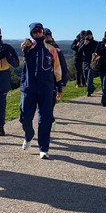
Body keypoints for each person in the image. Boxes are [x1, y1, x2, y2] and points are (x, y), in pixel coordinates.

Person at [19, 22, 63, 159]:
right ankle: (28, 134)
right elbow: (25, 55)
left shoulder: (51, 49)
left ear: (43, 32)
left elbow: (57, 68)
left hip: (46, 88)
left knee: (45, 119)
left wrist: (59, 85)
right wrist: (26, 48)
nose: (37, 33)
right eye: (35, 31)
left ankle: (44, 148)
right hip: (29, 87)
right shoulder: (28, 46)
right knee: (25, 117)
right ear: (31, 33)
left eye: (39, 31)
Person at [44, 28, 69, 126]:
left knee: (51, 103)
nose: (47, 37)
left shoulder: (56, 50)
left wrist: (63, 82)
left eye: (48, 35)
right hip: (42, 81)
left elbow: (63, 66)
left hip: (53, 81)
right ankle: (47, 120)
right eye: (45, 35)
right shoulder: (38, 48)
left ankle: (49, 119)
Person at [92, 30, 106, 106]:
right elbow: (97, 53)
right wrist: (105, 48)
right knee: (103, 84)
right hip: (101, 66)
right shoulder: (100, 43)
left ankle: (104, 100)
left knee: (105, 83)